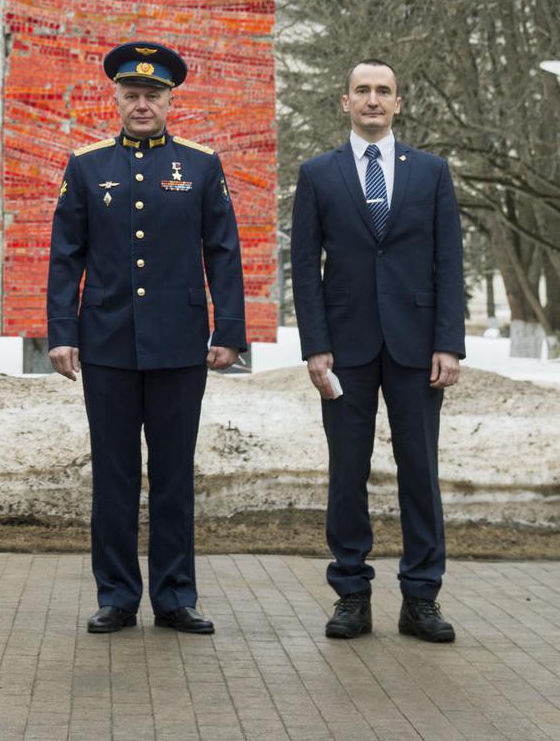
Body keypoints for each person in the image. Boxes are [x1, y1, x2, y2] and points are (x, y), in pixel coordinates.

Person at [47, 41, 246, 633]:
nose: (141, 104)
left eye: (152, 95)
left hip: (179, 344)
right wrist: (62, 332)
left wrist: (229, 329)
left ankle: (175, 595)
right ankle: (116, 594)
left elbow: (224, 252)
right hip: (107, 344)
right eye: (131, 95)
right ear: (116, 98)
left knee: (174, 474)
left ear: (168, 100)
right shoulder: (86, 166)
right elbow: (65, 257)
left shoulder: (201, 165)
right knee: (112, 475)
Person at [291, 59, 465, 642]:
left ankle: (421, 598)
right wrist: (315, 345)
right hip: (345, 350)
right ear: (345, 102)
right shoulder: (317, 174)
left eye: (383, 91)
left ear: (398, 103)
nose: (372, 100)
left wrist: (449, 342)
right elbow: (304, 270)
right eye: (362, 90)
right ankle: (351, 595)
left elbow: (449, 263)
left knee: (421, 472)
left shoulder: (432, 172)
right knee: (347, 474)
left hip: (418, 348)